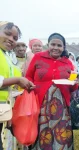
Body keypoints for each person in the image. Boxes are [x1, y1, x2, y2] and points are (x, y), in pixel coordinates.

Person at [25, 33, 78, 150]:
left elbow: (73, 86)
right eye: (53, 44)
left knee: (61, 131)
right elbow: (28, 76)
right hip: (40, 103)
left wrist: (75, 82)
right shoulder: (38, 57)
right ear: (48, 45)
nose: (55, 47)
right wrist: (29, 85)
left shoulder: (67, 62)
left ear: (63, 47)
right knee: (42, 131)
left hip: (62, 106)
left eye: (59, 45)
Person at [0, 21, 35, 150]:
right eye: (7, 34)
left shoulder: (6, 55)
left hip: (5, 110)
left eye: (15, 38)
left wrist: (22, 85)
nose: (11, 40)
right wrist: (17, 80)